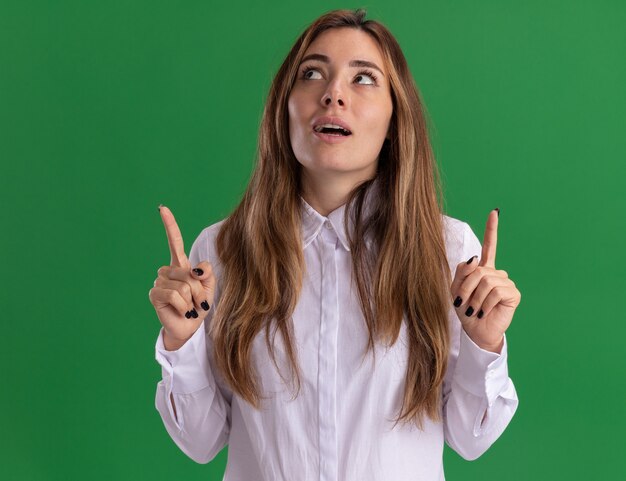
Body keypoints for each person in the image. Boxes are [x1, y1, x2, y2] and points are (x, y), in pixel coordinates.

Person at [149, 8, 521, 480]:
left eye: (363, 78)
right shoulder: (222, 251)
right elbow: (201, 443)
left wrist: (485, 343)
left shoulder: (447, 250)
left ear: (394, 118)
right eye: (312, 74)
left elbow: (471, 440)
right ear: (284, 108)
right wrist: (180, 341)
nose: (333, 94)